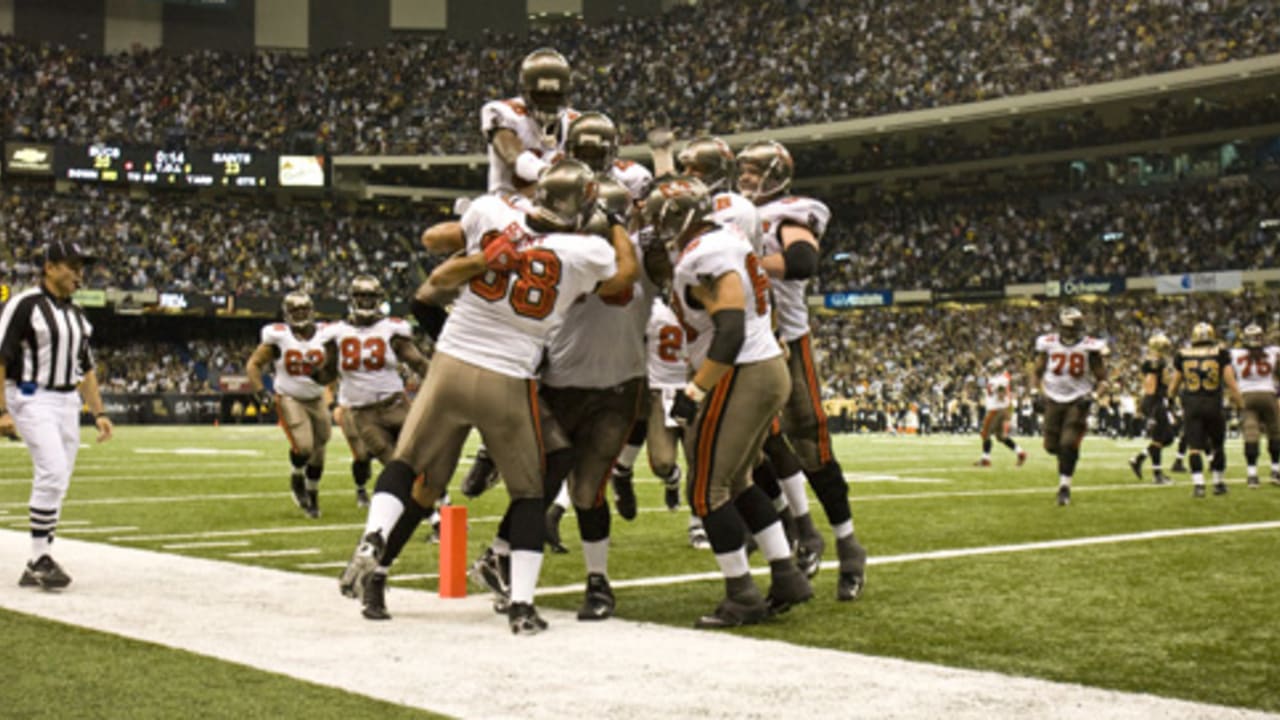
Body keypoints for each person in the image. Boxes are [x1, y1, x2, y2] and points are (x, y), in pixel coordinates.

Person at [341, 159, 632, 634]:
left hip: (452, 359)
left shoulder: (489, 211)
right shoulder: (588, 251)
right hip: (508, 373)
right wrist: (614, 224)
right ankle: (519, 603)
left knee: (409, 466)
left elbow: (433, 263)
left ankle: (376, 540)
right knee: (529, 490)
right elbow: (623, 277)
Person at [645, 176, 811, 628]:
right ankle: (786, 574)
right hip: (761, 365)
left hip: (741, 372)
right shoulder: (726, 235)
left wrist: (695, 391)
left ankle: (742, 596)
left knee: (706, 490)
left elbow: (731, 329)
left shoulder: (703, 256)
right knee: (738, 481)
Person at [737, 140, 867, 601]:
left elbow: (801, 261)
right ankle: (797, 528)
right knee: (753, 447)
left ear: (776, 174)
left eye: (755, 171)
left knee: (810, 441)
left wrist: (746, 261)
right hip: (744, 342)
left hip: (786, 341)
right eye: (743, 170)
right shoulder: (730, 212)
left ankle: (848, 545)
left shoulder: (793, 210)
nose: (746, 178)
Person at [0, 240, 114, 590]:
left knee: (59, 479)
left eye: (82, 267)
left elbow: (86, 368)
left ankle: (40, 558)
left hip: (67, 403)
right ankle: (38, 559)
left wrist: (99, 412)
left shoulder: (77, 316)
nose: (80, 274)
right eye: (72, 266)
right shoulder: (24, 305)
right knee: (50, 471)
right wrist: (2, 410)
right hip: (32, 397)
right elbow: (1, 357)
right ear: (49, 268)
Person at [246, 292, 332, 518]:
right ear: (287, 314)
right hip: (289, 396)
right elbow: (254, 364)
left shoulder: (325, 334)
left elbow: (335, 364)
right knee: (304, 446)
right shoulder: (279, 337)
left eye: (304, 309)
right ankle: (296, 476)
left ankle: (312, 496)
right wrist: (260, 392)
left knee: (320, 448)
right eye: (295, 311)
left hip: (316, 396)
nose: (301, 314)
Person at [1031, 306, 1108, 506]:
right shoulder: (1047, 343)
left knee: (1067, 444)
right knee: (1051, 446)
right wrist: (1033, 393)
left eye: (1073, 329)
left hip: (1077, 399)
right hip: (1052, 398)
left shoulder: (1090, 347)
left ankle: (1064, 487)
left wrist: (1093, 396)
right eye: (1067, 328)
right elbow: (1037, 371)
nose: (1070, 333)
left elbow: (1103, 380)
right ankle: (1069, 456)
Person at [1169, 322, 1242, 498]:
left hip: (1192, 403)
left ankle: (1199, 484)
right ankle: (1218, 483)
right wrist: (1240, 403)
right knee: (1217, 445)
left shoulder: (1183, 354)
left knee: (1194, 447)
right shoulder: (1220, 353)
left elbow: (1174, 384)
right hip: (1213, 403)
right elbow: (1230, 381)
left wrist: (1171, 399)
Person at [1227, 323, 1278, 488]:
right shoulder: (1273, 352)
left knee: (1250, 433)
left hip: (1246, 394)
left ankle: (1252, 474)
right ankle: (1276, 470)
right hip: (1268, 393)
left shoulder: (1234, 354)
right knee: (1275, 432)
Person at [1128, 332, 1176, 485]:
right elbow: (1151, 386)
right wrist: (1154, 407)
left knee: (1167, 438)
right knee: (1159, 437)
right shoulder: (1155, 362)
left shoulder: (1156, 361)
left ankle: (1139, 458)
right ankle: (1157, 475)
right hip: (1155, 401)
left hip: (1157, 400)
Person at [974, 357, 1027, 467]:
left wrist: (1001, 397)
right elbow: (980, 384)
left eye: (992, 367)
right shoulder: (997, 377)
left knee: (985, 434)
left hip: (996, 409)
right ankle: (1020, 453)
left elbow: (1002, 391)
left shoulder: (1001, 378)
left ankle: (985, 459)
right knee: (1001, 437)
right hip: (999, 408)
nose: (990, 369)